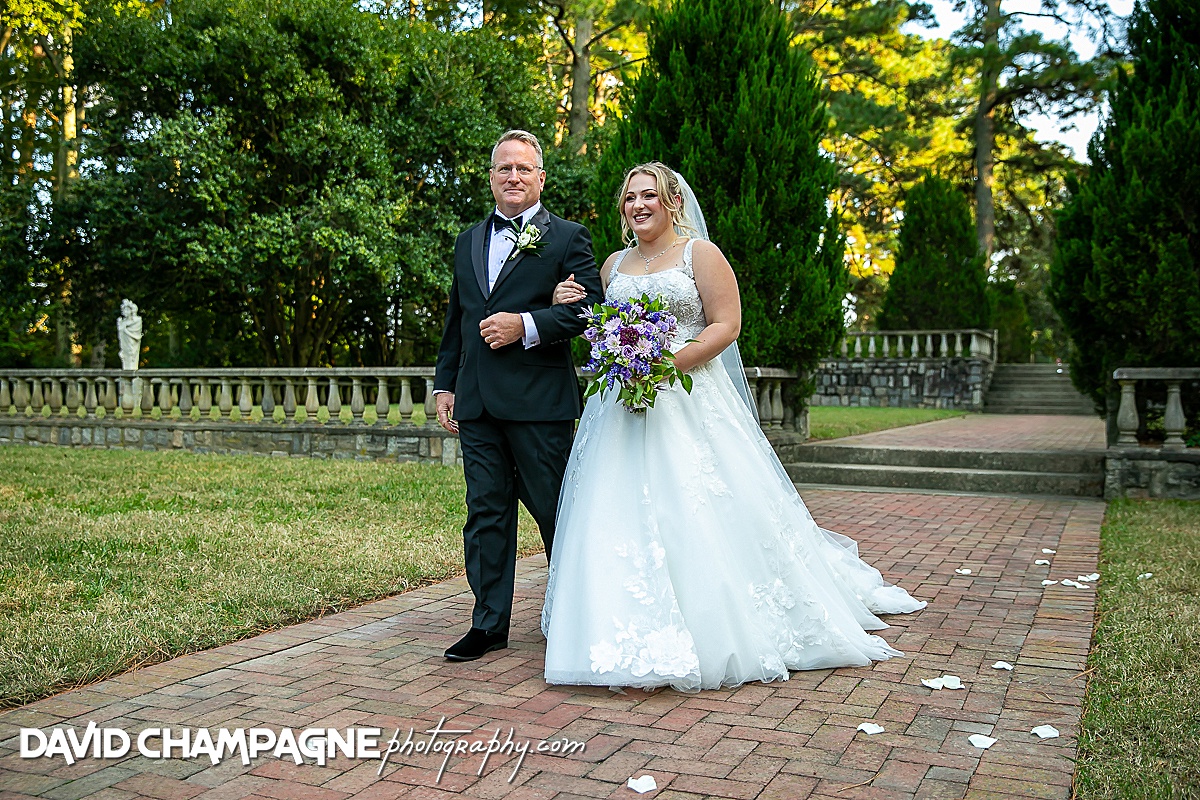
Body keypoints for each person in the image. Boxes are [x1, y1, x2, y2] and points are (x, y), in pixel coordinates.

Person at [540, 162, 926, 691]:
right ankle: (610, 620)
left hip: (688, 396)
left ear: (673, 201)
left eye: (649, 195)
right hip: (622, 404)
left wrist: (667, 363)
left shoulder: (700, 254)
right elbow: (603, 327)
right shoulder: (612, 266)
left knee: (697, 504)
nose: (638, 205)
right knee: (613, 506)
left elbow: (727, 324)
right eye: (630, 198)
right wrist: (575, 313)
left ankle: (717, 620)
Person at [433, 130, 603, 662]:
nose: (513, 176)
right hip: (477, 401)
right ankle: (488, 625)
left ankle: (574, 615)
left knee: (556, 512)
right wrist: (445, 383)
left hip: (539, 403)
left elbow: (590, 312)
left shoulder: (568, 237)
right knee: (485, 512)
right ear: (491, 177)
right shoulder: (467, 240)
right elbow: (458, 320)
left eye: (524, 169)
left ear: (541, 178)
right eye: (504, 168)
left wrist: (525, 324)